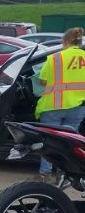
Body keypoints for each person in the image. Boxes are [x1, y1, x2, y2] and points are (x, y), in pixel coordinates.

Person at [35, 27, 85, 178]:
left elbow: (42, 81)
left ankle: (46, 174)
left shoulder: (55, 58)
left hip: (53, 106)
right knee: (70, 142)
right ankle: (67, 174)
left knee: (48, 141)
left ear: (65, 41)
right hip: (78, 106)